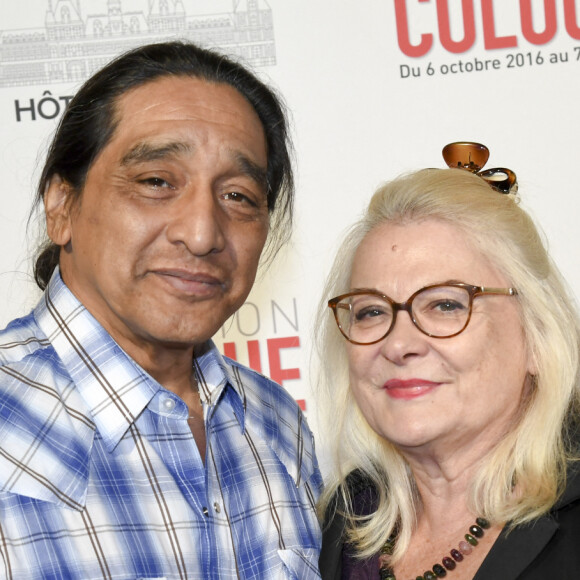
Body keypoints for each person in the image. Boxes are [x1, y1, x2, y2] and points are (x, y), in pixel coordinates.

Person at [0, 41, 322, 579]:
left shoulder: (277, 423)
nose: (201, 234)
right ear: (61, 207)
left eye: (239, 196)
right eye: (156, 182)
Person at [315, 157, 580, 579]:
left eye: (445, 304)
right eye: (370, 312)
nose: (398, 344)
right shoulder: (338, 526)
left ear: (536, 336)